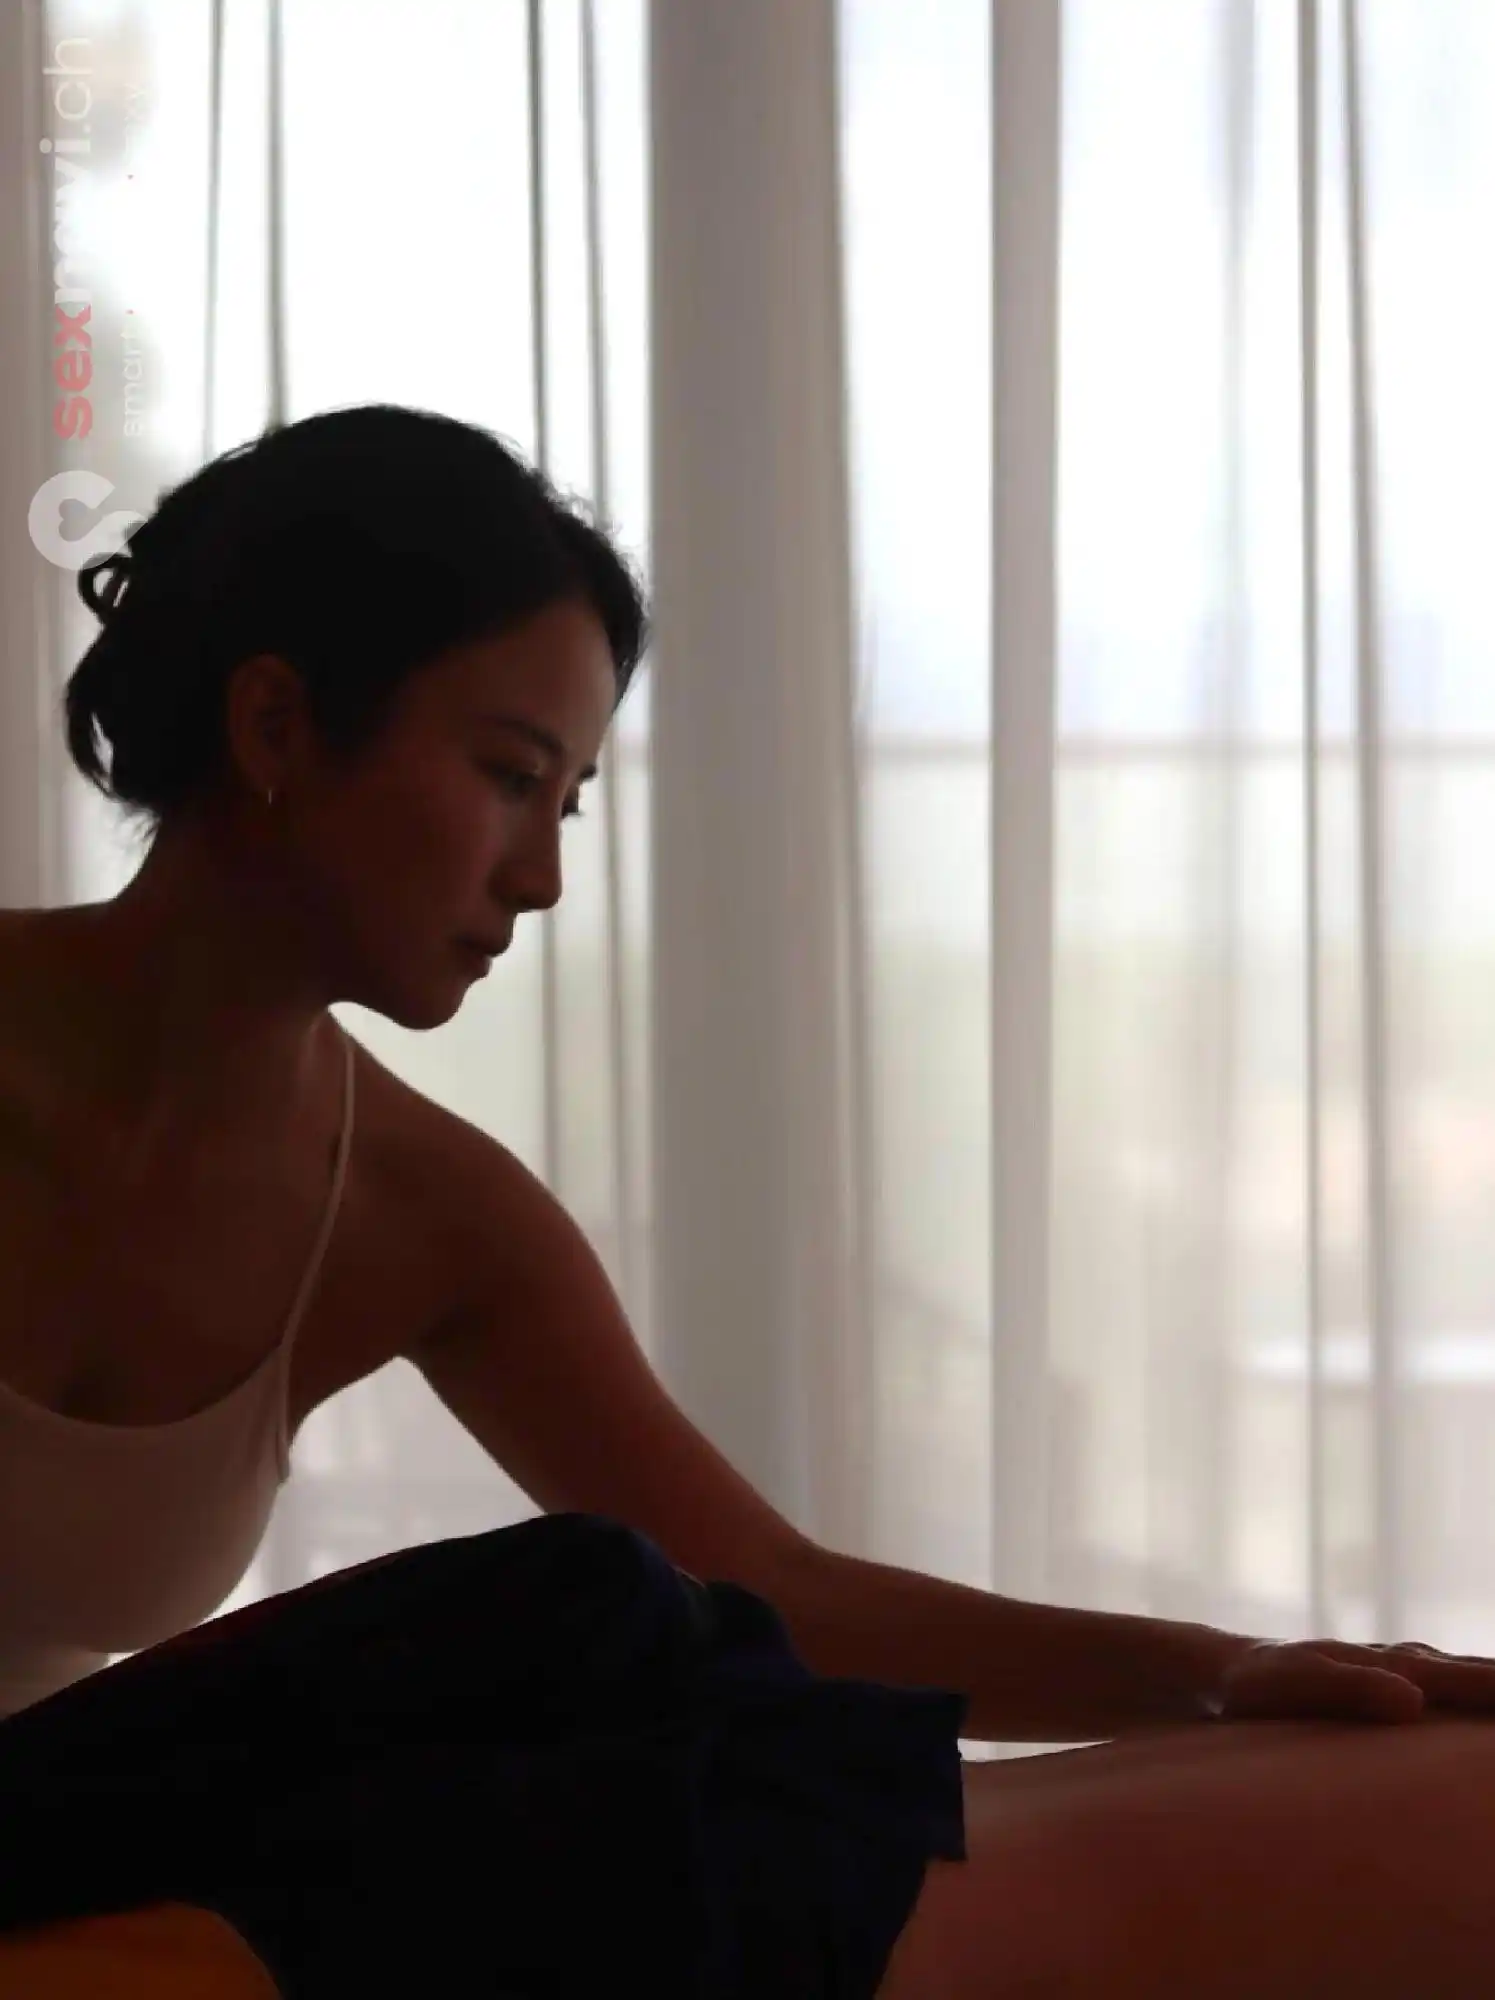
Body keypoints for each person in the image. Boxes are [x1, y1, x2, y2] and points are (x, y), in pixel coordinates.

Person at [3, 400, 1495, 1997]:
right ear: (276, 726)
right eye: (508, 776)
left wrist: (1217, 1673)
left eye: (566, 805)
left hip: (67, 1830)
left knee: (616, 1653)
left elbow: (772, 1589)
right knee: (562, 1611)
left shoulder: (425, 1214)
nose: (539, 878)